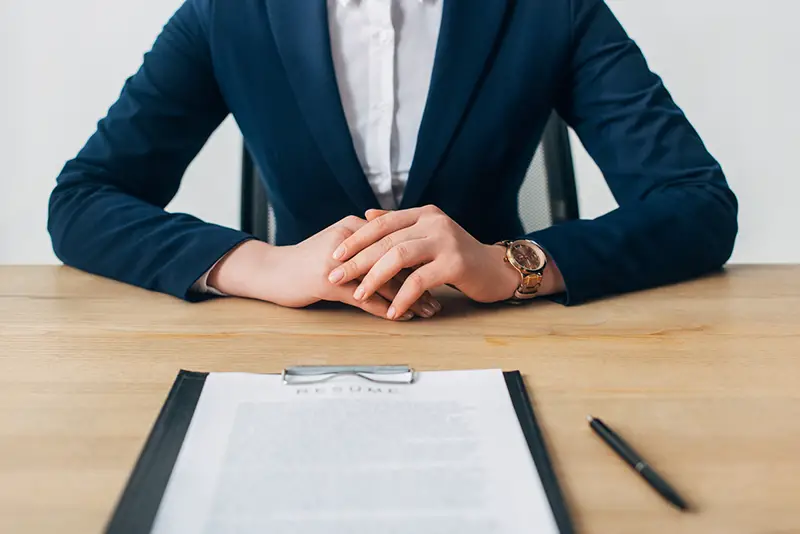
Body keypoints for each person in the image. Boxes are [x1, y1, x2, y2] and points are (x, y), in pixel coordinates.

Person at [47, 0, 738, 321]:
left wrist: (515, 264)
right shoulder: (227, 13)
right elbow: (83, 199)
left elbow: (697, 204)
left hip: (501, 338)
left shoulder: (553, 10)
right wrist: (264, 263)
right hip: (294, 346)